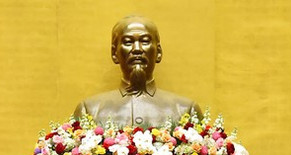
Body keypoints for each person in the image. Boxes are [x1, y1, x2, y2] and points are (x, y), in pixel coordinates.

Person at [73, 15, 202, 128]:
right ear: (114, 53)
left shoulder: (185, 110)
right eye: (128, 42)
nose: (137, 49)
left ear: (159, 52)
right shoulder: (90, 110)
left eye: (145, 41)